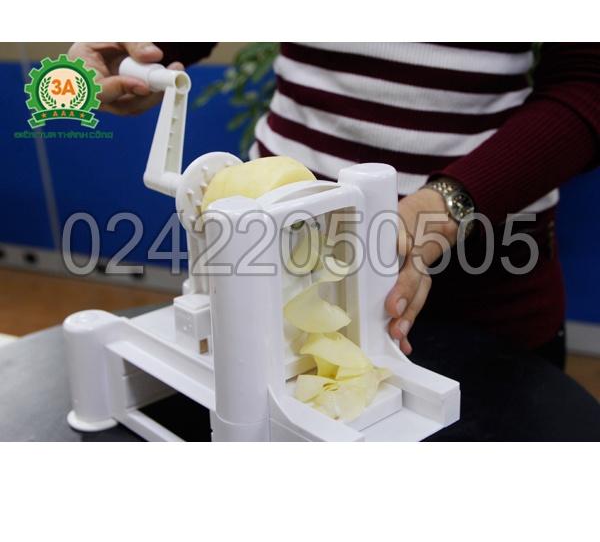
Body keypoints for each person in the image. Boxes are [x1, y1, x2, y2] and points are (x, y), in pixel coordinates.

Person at [68, 42, 600, 369]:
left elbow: (589, 84)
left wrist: (443, 208)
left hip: (479, 286)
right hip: (269, 259)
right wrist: (145, 49)